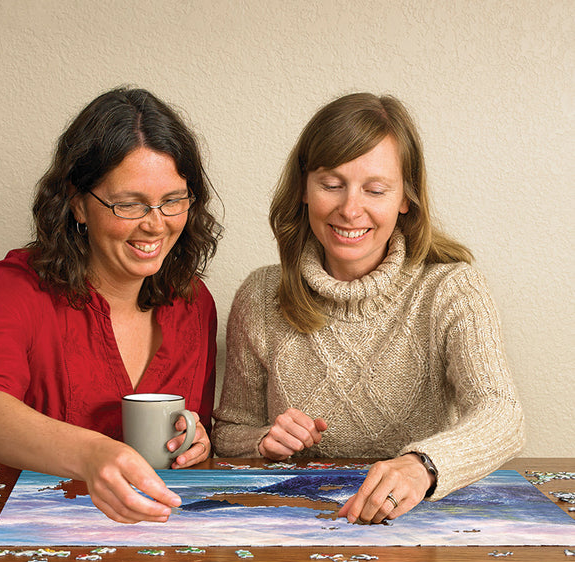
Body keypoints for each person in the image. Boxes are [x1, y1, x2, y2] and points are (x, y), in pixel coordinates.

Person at [212, 92, 524, 524]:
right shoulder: (261, 295)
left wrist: (422, 466)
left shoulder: (452, 288)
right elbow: (228, 434)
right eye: (332, 185)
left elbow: (502, 414)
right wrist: (264, 441)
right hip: (299, 528)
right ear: (304, 188)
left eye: (375, 189)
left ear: (405, 198)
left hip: (418, 527)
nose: (350, 209)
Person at [0, 87, 222, 524]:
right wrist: (93, 455)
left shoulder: (194, 303)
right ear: (77, 202)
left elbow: (192, 433)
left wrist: (198, 441)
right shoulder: (11, 288)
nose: (155, 223)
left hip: (155, 548)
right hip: (25, 548)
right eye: (128, 203)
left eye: (173, 200)